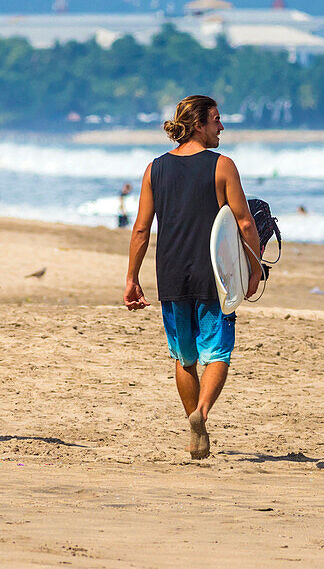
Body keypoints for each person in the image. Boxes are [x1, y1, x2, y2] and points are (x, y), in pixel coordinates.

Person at [123, 95, 262, 460]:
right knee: (217, 353)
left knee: (184, 357)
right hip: (214, 277)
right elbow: (245, 222)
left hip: (170, 274)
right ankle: (200, 413)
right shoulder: (222, 166)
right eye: (216, 119)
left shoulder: (154, 169)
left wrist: (131, 278)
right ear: (199, 124)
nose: (221, 126)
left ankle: (192, 420)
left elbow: (140, 230)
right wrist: (255, 269)